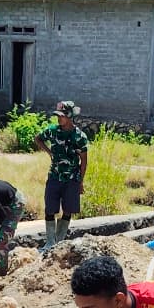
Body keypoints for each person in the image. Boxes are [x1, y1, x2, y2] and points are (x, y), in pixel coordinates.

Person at [35, 100, 89, 252]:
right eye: (58, 115)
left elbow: (84, 160)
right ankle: (50, 242)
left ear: (70, 116)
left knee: (68, 210)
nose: (59, 118)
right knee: (50, 209)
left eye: (62, 116)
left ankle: (59, 242)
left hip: (71, 179)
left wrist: (80, 181)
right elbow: (38, 138)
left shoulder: (79, 136)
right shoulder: (52, 131)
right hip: (54, 177)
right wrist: (49, 152)